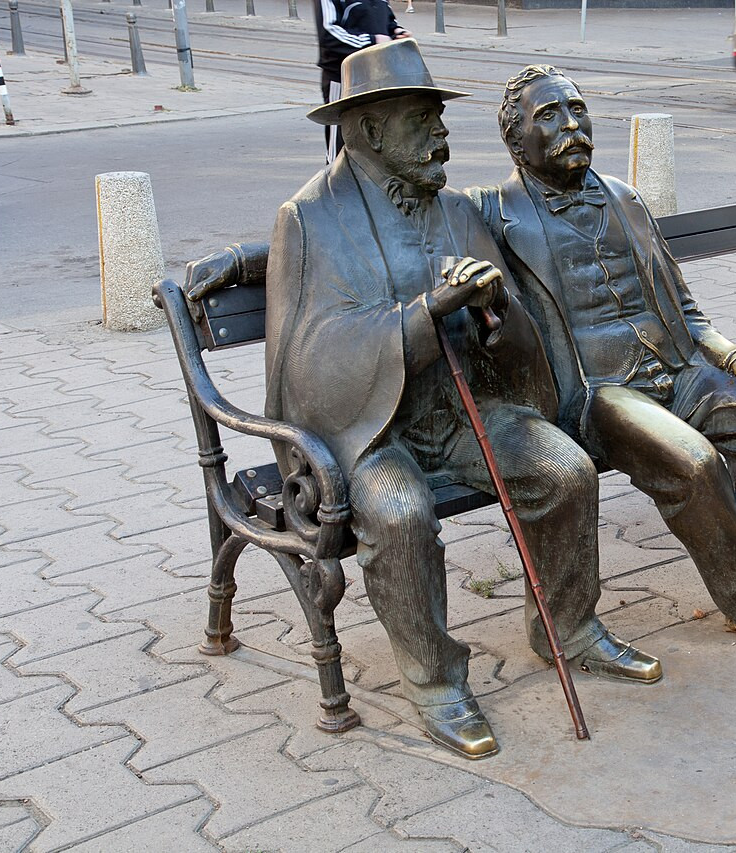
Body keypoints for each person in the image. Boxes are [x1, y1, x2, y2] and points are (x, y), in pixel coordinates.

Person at [265, 41, 660, 759]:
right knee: (399, 509)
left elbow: (513, 332)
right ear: (372, 129)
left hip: (459, 407)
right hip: (365, 430)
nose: (444, 134)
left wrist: (490, 308)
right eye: (424, 119)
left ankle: (569, 626)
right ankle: (436, 680)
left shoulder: (453, 208)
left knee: (563, 468)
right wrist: (423, 314)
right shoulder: (310, 218)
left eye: (441, 116)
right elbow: (313, 357)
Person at [468, 65, 736, 659]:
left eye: (578, 110)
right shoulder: (490, 213)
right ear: (516, 141)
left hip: (676, 368)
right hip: (595, 394)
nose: (572, 125)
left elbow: (685, 308)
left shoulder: (624, 198)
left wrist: (730, 353)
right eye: (550, 116)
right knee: (694, 463)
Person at [314, 0, 410, 162]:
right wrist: (373, 41)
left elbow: (385, 20)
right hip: (343, 77)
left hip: (376, 77)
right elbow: (329, 34)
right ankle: (335, 183)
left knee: (375, 140)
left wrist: (397, 32)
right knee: (340, 146)